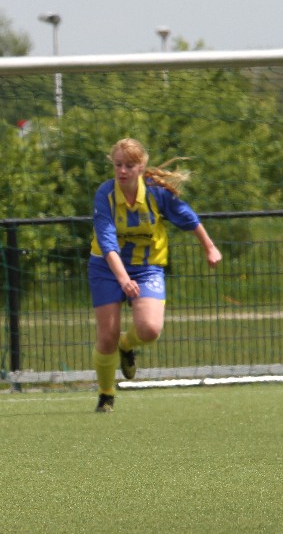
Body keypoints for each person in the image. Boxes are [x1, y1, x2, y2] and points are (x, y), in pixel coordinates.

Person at [88, 137, 222, 412]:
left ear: (141, 166)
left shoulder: (156, 193)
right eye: (118, 165)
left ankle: (127, 345)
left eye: (129, 165)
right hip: (106, 267)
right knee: (107, 336)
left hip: (147, 266)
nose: (122, 171)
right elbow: (107, 241)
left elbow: (187, 216)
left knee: (149, 329)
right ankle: (106, 394)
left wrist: (209, 247)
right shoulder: (105, 194)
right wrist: (123, 279)